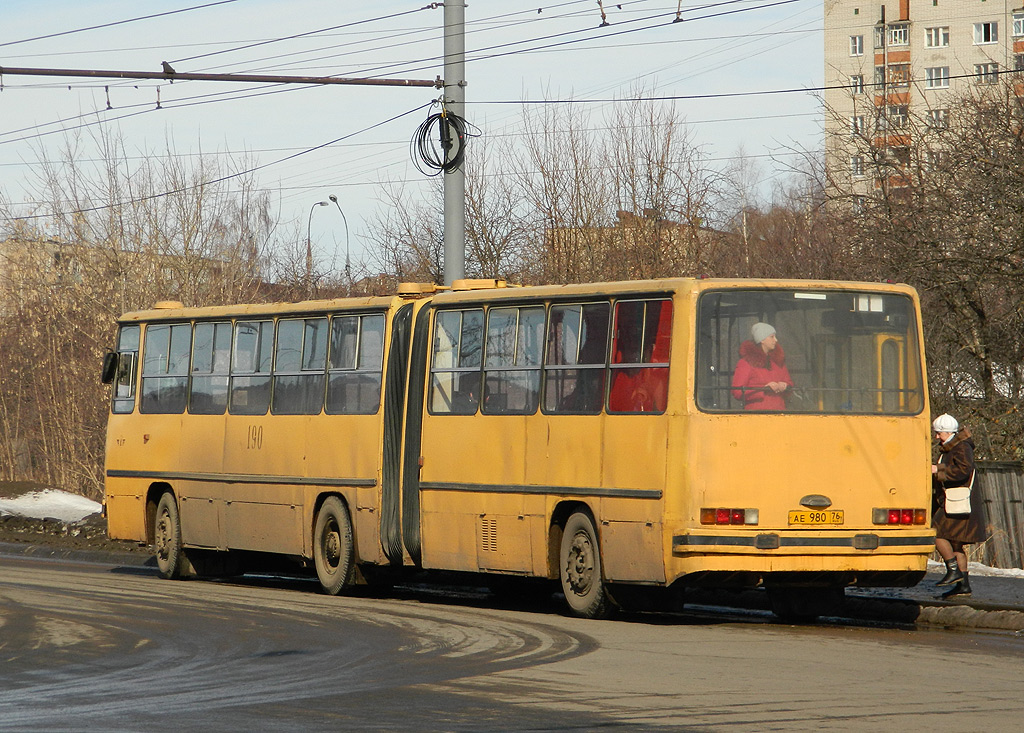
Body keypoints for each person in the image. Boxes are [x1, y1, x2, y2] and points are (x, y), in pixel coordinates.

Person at [930, 413, 986, 598]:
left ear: (948, 432)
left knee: (935, 532)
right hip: (956, 503)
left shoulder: (960, 447)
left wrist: (938, 470)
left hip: (958, 503)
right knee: (956, 542)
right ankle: (963, 585)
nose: (937, 436)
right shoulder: (952, 447)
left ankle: (952, 570)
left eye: (939, 433)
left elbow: (963, 470)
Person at [731, 322, 794, 411]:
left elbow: (789, 383)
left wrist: (785, 386)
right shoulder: (746, 363)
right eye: (772, 337)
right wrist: (763, 389)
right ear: (762, 340)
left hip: (780, 415)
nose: (776, 340)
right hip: (757, 416)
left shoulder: (778, 362)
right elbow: (737, 391)